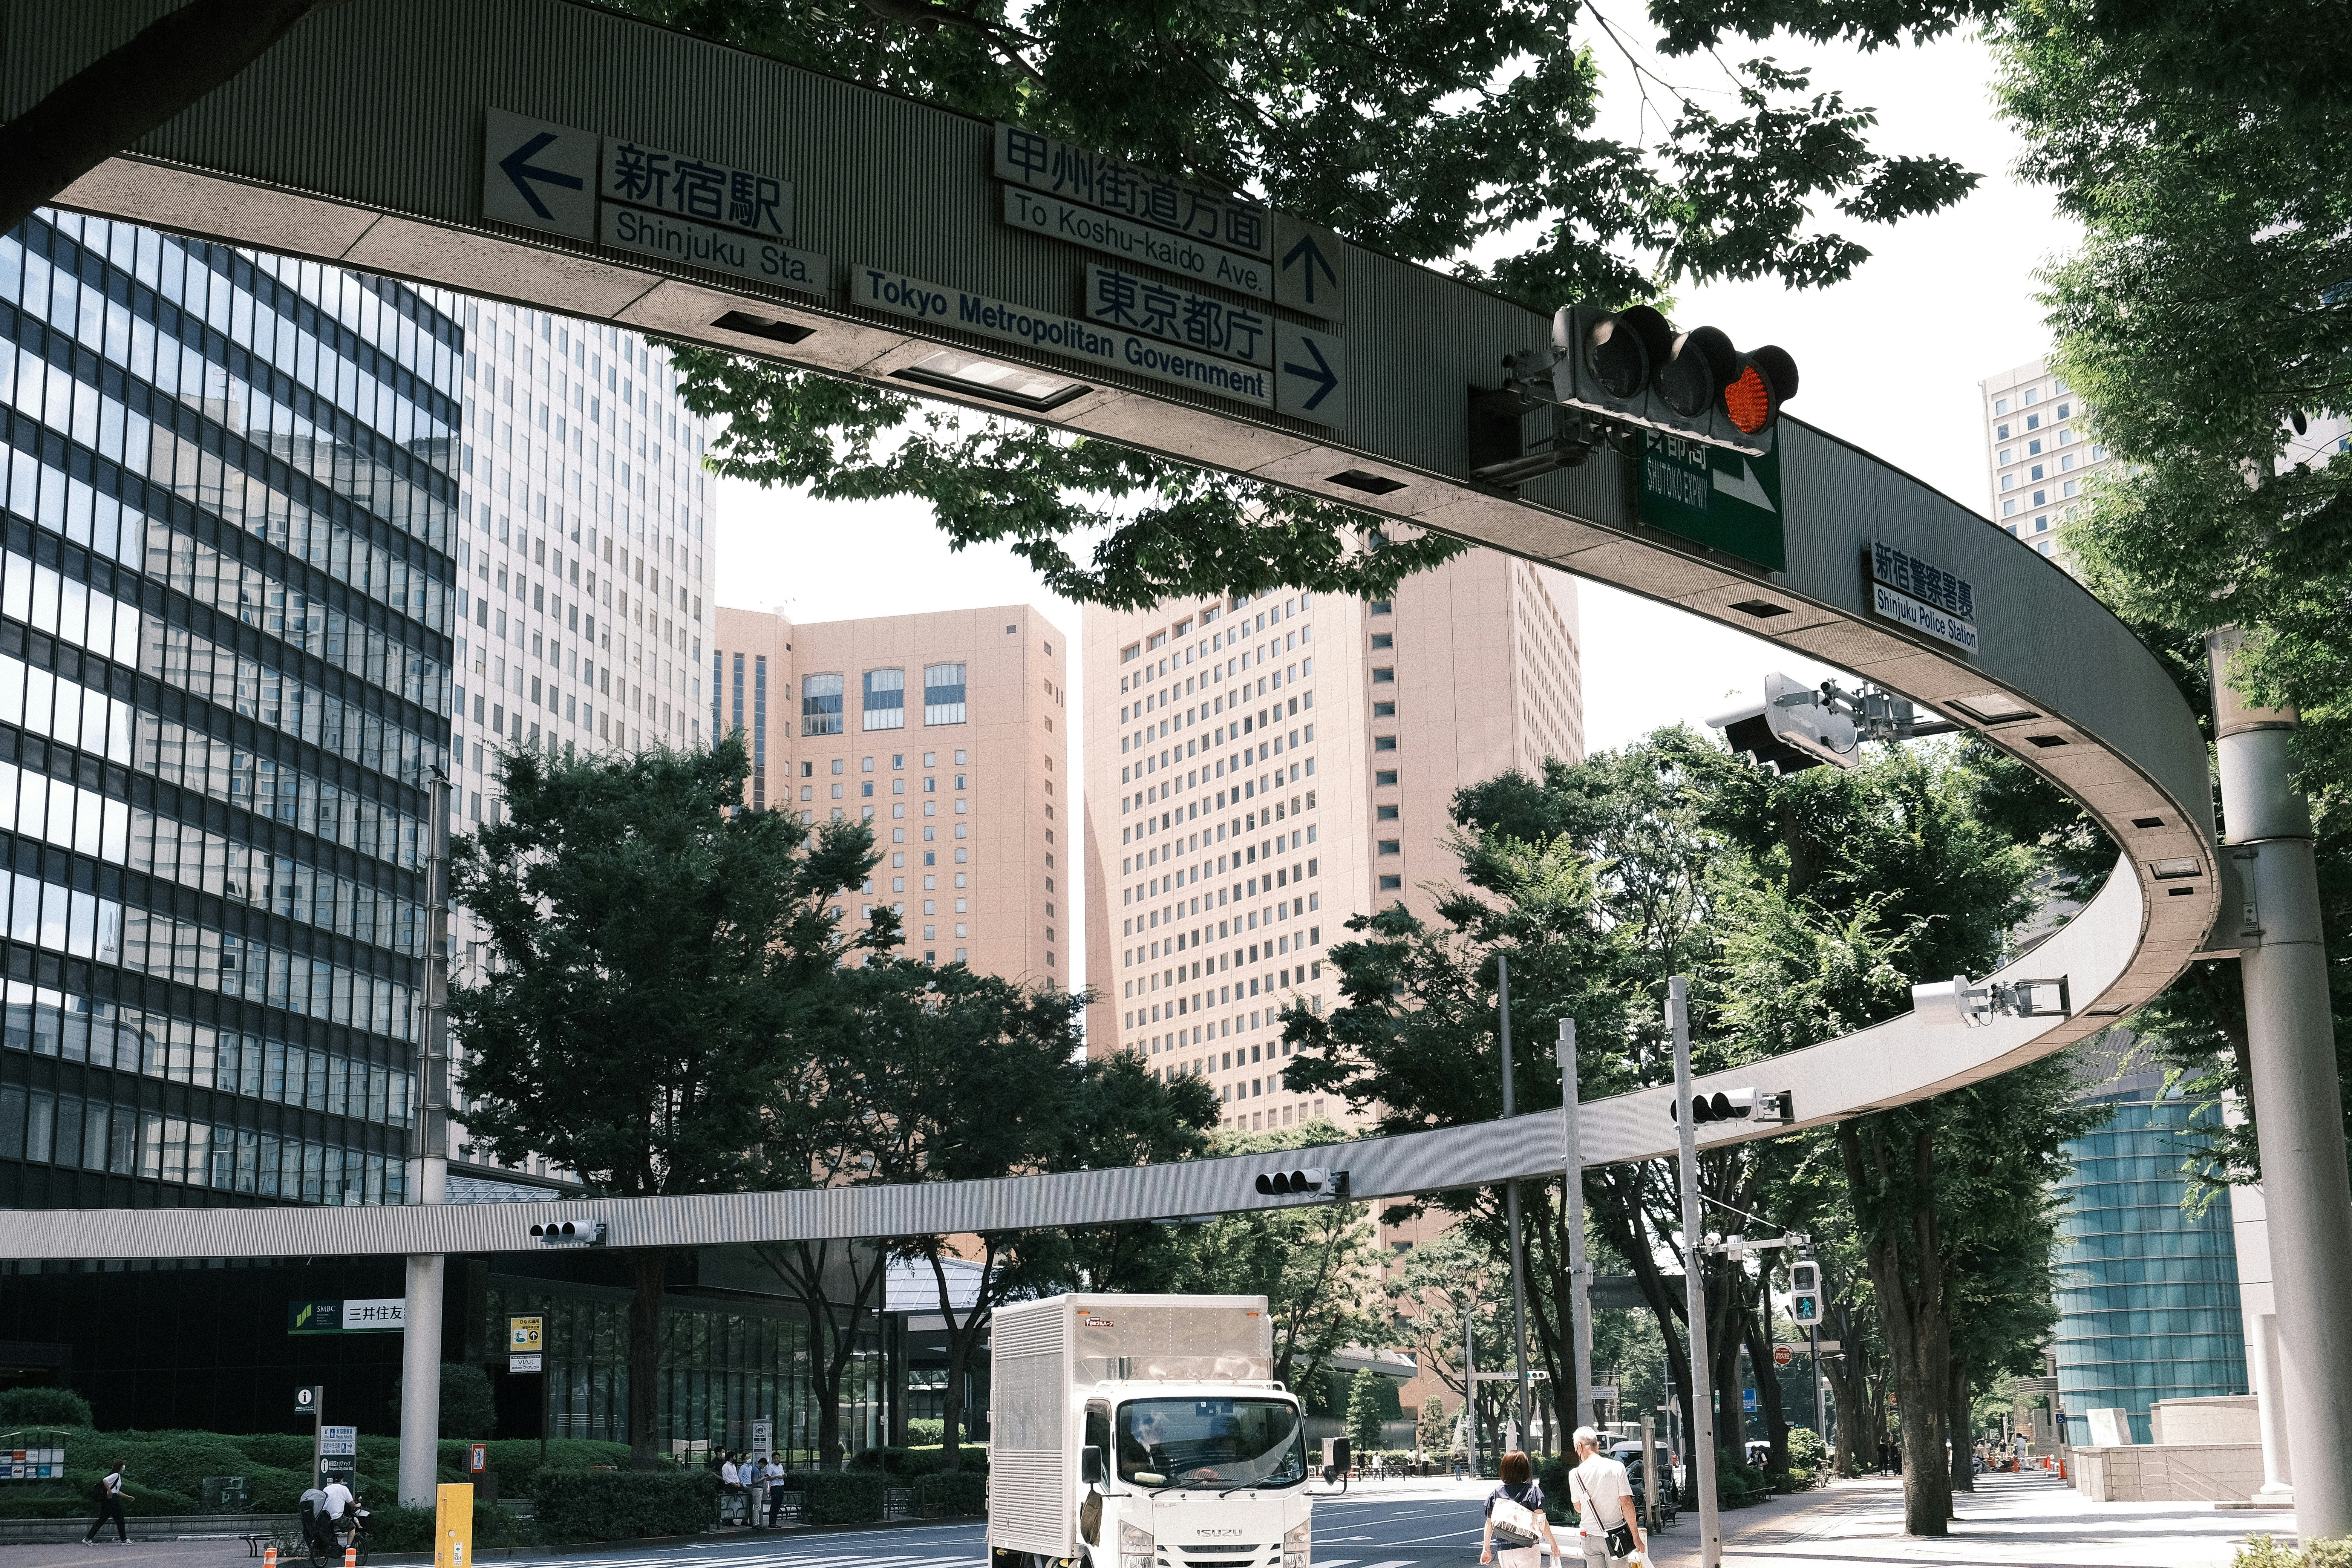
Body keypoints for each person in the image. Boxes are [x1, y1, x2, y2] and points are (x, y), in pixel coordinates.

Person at [1566, 1428, 1646, 1568]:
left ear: (1579, 1447)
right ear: (1597, 1445)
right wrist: (1636, 1537)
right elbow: (1627, 1504)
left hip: (1589, 1536)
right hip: (1616, 1535)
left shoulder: (1575, 1474)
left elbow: (1578, 1509)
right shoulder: (1617, 1468)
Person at [1478, 1450, 1564, 1568]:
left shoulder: (1497, 1494)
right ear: (1525, 1469)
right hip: (1527, 1547)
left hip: (1504, 1550)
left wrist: (1486, 1549)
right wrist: (1553, 1543)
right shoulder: (1532, 1491)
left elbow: (1489, 1523)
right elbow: (1541, 1521)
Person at [82, 1460, 129, 1545]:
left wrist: (127, 1497)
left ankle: (88, 1538)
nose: (124, 1467)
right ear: (120, 1467)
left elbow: (117, 1491)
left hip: (108, 1500)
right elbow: (105, 1480)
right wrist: (109, 1491)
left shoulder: (116, 1475)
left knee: (102, 1519)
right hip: (112, 1500)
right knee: (120, 1520)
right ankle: (124, 1540)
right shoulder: (116, 1475)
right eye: (123, 1466)